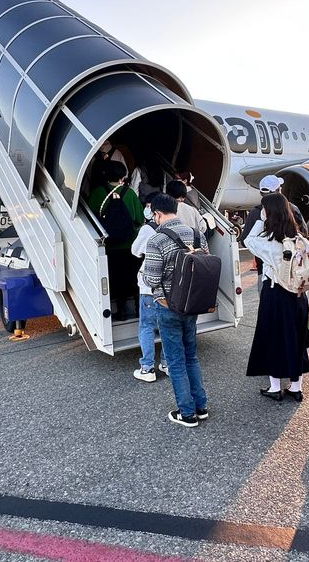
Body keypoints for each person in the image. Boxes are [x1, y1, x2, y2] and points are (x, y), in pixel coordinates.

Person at [142, 193, 209, 427]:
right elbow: (203, 266)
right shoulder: (197, 235)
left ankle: (186, 413)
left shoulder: (157, 240)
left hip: (167, 305)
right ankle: (201, 406)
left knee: (175, 360)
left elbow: (151, 278)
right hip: (192, 305)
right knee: (191, 355)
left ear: (157, 214)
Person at [244, 193, 309, 402]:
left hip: (276, 294)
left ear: (269, 213)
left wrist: (260, 221)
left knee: (273, 338)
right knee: (296, 338)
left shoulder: (268, 241)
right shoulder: (299, 238)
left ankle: (275, 387)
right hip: (299, 295)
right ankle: (296, 387)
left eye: (264, 209)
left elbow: (248, 240)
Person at [88, 160, 143, 320]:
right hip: (131, 244)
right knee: (134, 278)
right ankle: (139, 309)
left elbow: (91, 218)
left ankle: (122, 311)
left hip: (110, 245)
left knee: (115, 279)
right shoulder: (130, 193)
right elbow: (139, 218)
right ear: (123, 176)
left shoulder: (98, 192)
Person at [240, 175, 309, 293]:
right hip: (295, 273)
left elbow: (245, 240)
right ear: (278, 192)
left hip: (267, 274)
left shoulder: (256, 213)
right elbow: (305, 233)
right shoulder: (292, 208)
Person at [130, 193, 167, 382]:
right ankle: (167, 364)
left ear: (154, 210)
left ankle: (147, 368)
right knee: (167, 327)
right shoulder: (180, 227)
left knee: (146, 326)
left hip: (149, 287)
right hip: (170, 287)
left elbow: (135, 251)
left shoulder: (148, 228)